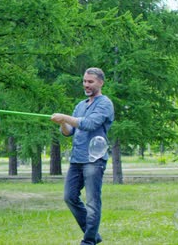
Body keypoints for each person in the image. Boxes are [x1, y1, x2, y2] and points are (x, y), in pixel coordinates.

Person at [51, 67, 114, 245]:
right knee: (69, 197)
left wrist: (65, 116)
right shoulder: (80, 105)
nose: (86, 85)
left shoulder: (105, 104)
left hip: (94, 160)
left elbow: (89, 124)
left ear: (100, 82)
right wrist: (63, 122)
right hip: (77, 159)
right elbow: (68, 132)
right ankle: (93, 235)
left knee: (92, 202)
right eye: (84, 81)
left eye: (90, 82)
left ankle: (88, 241)